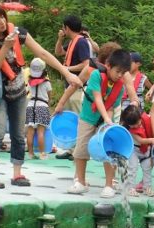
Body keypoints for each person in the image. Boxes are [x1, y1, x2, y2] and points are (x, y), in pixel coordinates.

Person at [0, 3, 82, 188]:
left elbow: (42, 53)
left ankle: (17, 173)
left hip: (18, 90)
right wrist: (5, 46)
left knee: (18, 133)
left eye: (2, 17)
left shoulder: (18, 33)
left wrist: (67, 73)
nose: (1, 22)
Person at [67, 49, 131, 198]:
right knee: (81, 149)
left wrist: (107, 123)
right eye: (118, 71)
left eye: (123, 72)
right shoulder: (96, 75)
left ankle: (109, 185)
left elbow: (111, 106)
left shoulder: (119, 85)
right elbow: (97, 98)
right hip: (88, 117)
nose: (120, 75)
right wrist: (106, 119)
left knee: (110, 151)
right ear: (108, 65)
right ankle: (81, 182)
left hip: (106, 118)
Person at [54, 15, 89, 160]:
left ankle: (80, 150)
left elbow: (86, 64)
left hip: (78, 86)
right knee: (70, 118)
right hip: (69, 86)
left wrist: (67, 69)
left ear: (67, 27)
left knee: (77, 117)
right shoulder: (72, 41)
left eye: (64, 28)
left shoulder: (81, 42)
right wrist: (61, 38)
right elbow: (58, 52)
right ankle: (70, 148)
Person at [121, 105, 154, 197]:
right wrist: (152, 140)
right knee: (132, 168)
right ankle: (130, 188)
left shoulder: (146, 120)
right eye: (132, 125)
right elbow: (141, 140)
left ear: (140, 117)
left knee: (147, 169)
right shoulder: (130, 129)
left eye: (137, 123)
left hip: (146, 150)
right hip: (134, 149)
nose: (136, 126)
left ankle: (147, 187)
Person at [26, 58, 52, 160]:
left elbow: (28, 92)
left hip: (30, 105)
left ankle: (31, 153)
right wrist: (48, 106)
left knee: (30, 132)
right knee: (41, 132)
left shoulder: (29, 81)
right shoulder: (47, 83)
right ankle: (42, 154)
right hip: (42, 106)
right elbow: (49, 96)